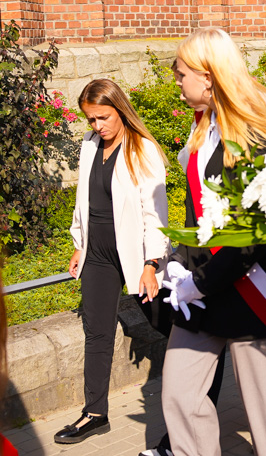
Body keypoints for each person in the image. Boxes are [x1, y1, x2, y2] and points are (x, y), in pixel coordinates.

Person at [161, 27, 266, 456]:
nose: (178, 83)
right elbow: (197, 211)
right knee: (179, 395)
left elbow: (255, 237)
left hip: (248, 290)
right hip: (201, 288)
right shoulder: (202, 127)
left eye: (182, 74)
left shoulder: (260, 136)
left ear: (209, 77)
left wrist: (197, 282)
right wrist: (177, 261)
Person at [55, 79, 171, 445]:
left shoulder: (144, 150)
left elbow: (155, 214)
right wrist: (79, 243)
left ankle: (203, 379)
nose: (96, 126)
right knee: (98, 331)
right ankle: (95, 413)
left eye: (103, 118)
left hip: (137, 254)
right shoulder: (89, 145)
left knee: (167, 323)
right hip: (98, 254)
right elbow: (83, 200)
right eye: (90, 119)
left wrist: (152, 263)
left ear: (120, 110)